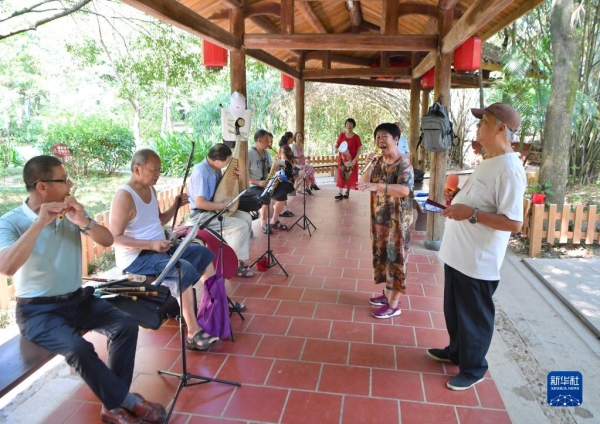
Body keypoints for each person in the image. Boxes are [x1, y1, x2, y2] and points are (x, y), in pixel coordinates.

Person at [0, 155, 166, 424]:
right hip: (38, 311)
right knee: (78, 348)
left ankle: (113, 405)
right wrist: (39, 223)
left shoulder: (70, 212)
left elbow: (108, 240)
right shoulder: (11, 221)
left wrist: (83, 221)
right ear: (42, 186)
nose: (70, 184)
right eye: (64, 180)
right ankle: (125, 401)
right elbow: (6, 268)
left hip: (78, 300)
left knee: (125, 325)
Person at [427, 103, 526, 391]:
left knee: (473, 317)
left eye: (484, 121)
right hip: (458, 255)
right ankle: (456, 352)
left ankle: (474, 368)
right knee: (454, 311)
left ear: (500, 128)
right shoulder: (490, 160)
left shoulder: (510, 169)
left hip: (477, 261)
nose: (478, 125)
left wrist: (470, 213)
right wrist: (458, 200)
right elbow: (481, 200)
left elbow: (514, 222)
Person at [109, 149, 221, 351]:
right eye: (154, 170)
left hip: (159, 247)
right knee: (181, 269)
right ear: (137, 169)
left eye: (159, 170)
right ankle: (193, 332)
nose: (158, 175)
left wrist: (174, 207)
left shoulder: (150, 190)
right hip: (137, 258)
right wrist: (151, 245)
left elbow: (157, 221)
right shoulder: (124, 197)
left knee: (202, 253)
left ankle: (214, 307)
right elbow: (114, 239)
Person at [358, 123, 414, 319]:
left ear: (396, 139)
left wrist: (378, 186)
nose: (380, 141)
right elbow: (363, 183)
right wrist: (369, 165)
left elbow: (405, 190)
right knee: (383, 257)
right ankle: (387, 293)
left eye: (385, 137)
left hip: (398, 222)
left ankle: (393, 305)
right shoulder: (378, 161)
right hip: (380, 219)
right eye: (378, 137)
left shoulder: (403, 163)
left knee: (396, 260)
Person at [187, 143, 254, 278]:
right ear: (217, 161)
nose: (228, 163)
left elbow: (221, 189)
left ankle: (237, 259)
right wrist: (222, 204)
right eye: (227, 161)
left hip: (215, 210)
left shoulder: (215, 169)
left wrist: (235, 178)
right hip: (201, 215)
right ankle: (232, 265)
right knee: (240, 226)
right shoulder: (201, 173)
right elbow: (200, 203)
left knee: (246, 218)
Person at [247, 129, 294, 234]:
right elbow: (244, 175)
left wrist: (275, 168)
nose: (269, 143)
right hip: (254, 185)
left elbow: (269, 168)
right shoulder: (249, 154)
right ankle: (263, 223)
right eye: (266, 141)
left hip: (267, 183)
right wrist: (258, 182)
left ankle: (274, 220)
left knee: (283, 192)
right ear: (259, 140)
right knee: (265, 197)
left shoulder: (266, 153)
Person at [335, 118, 362, 200]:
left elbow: (359, 149)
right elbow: (337, 144)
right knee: (341, 175)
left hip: (351, 161)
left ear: (353, 125)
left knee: (350, 176)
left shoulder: (356, 137)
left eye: (350, 124)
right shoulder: (342, 135)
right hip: (342, 161)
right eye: (347, 124)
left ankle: (347, 192)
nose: (348, 125)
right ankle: (340, 192)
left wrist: (355, 159)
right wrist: (336, 148)